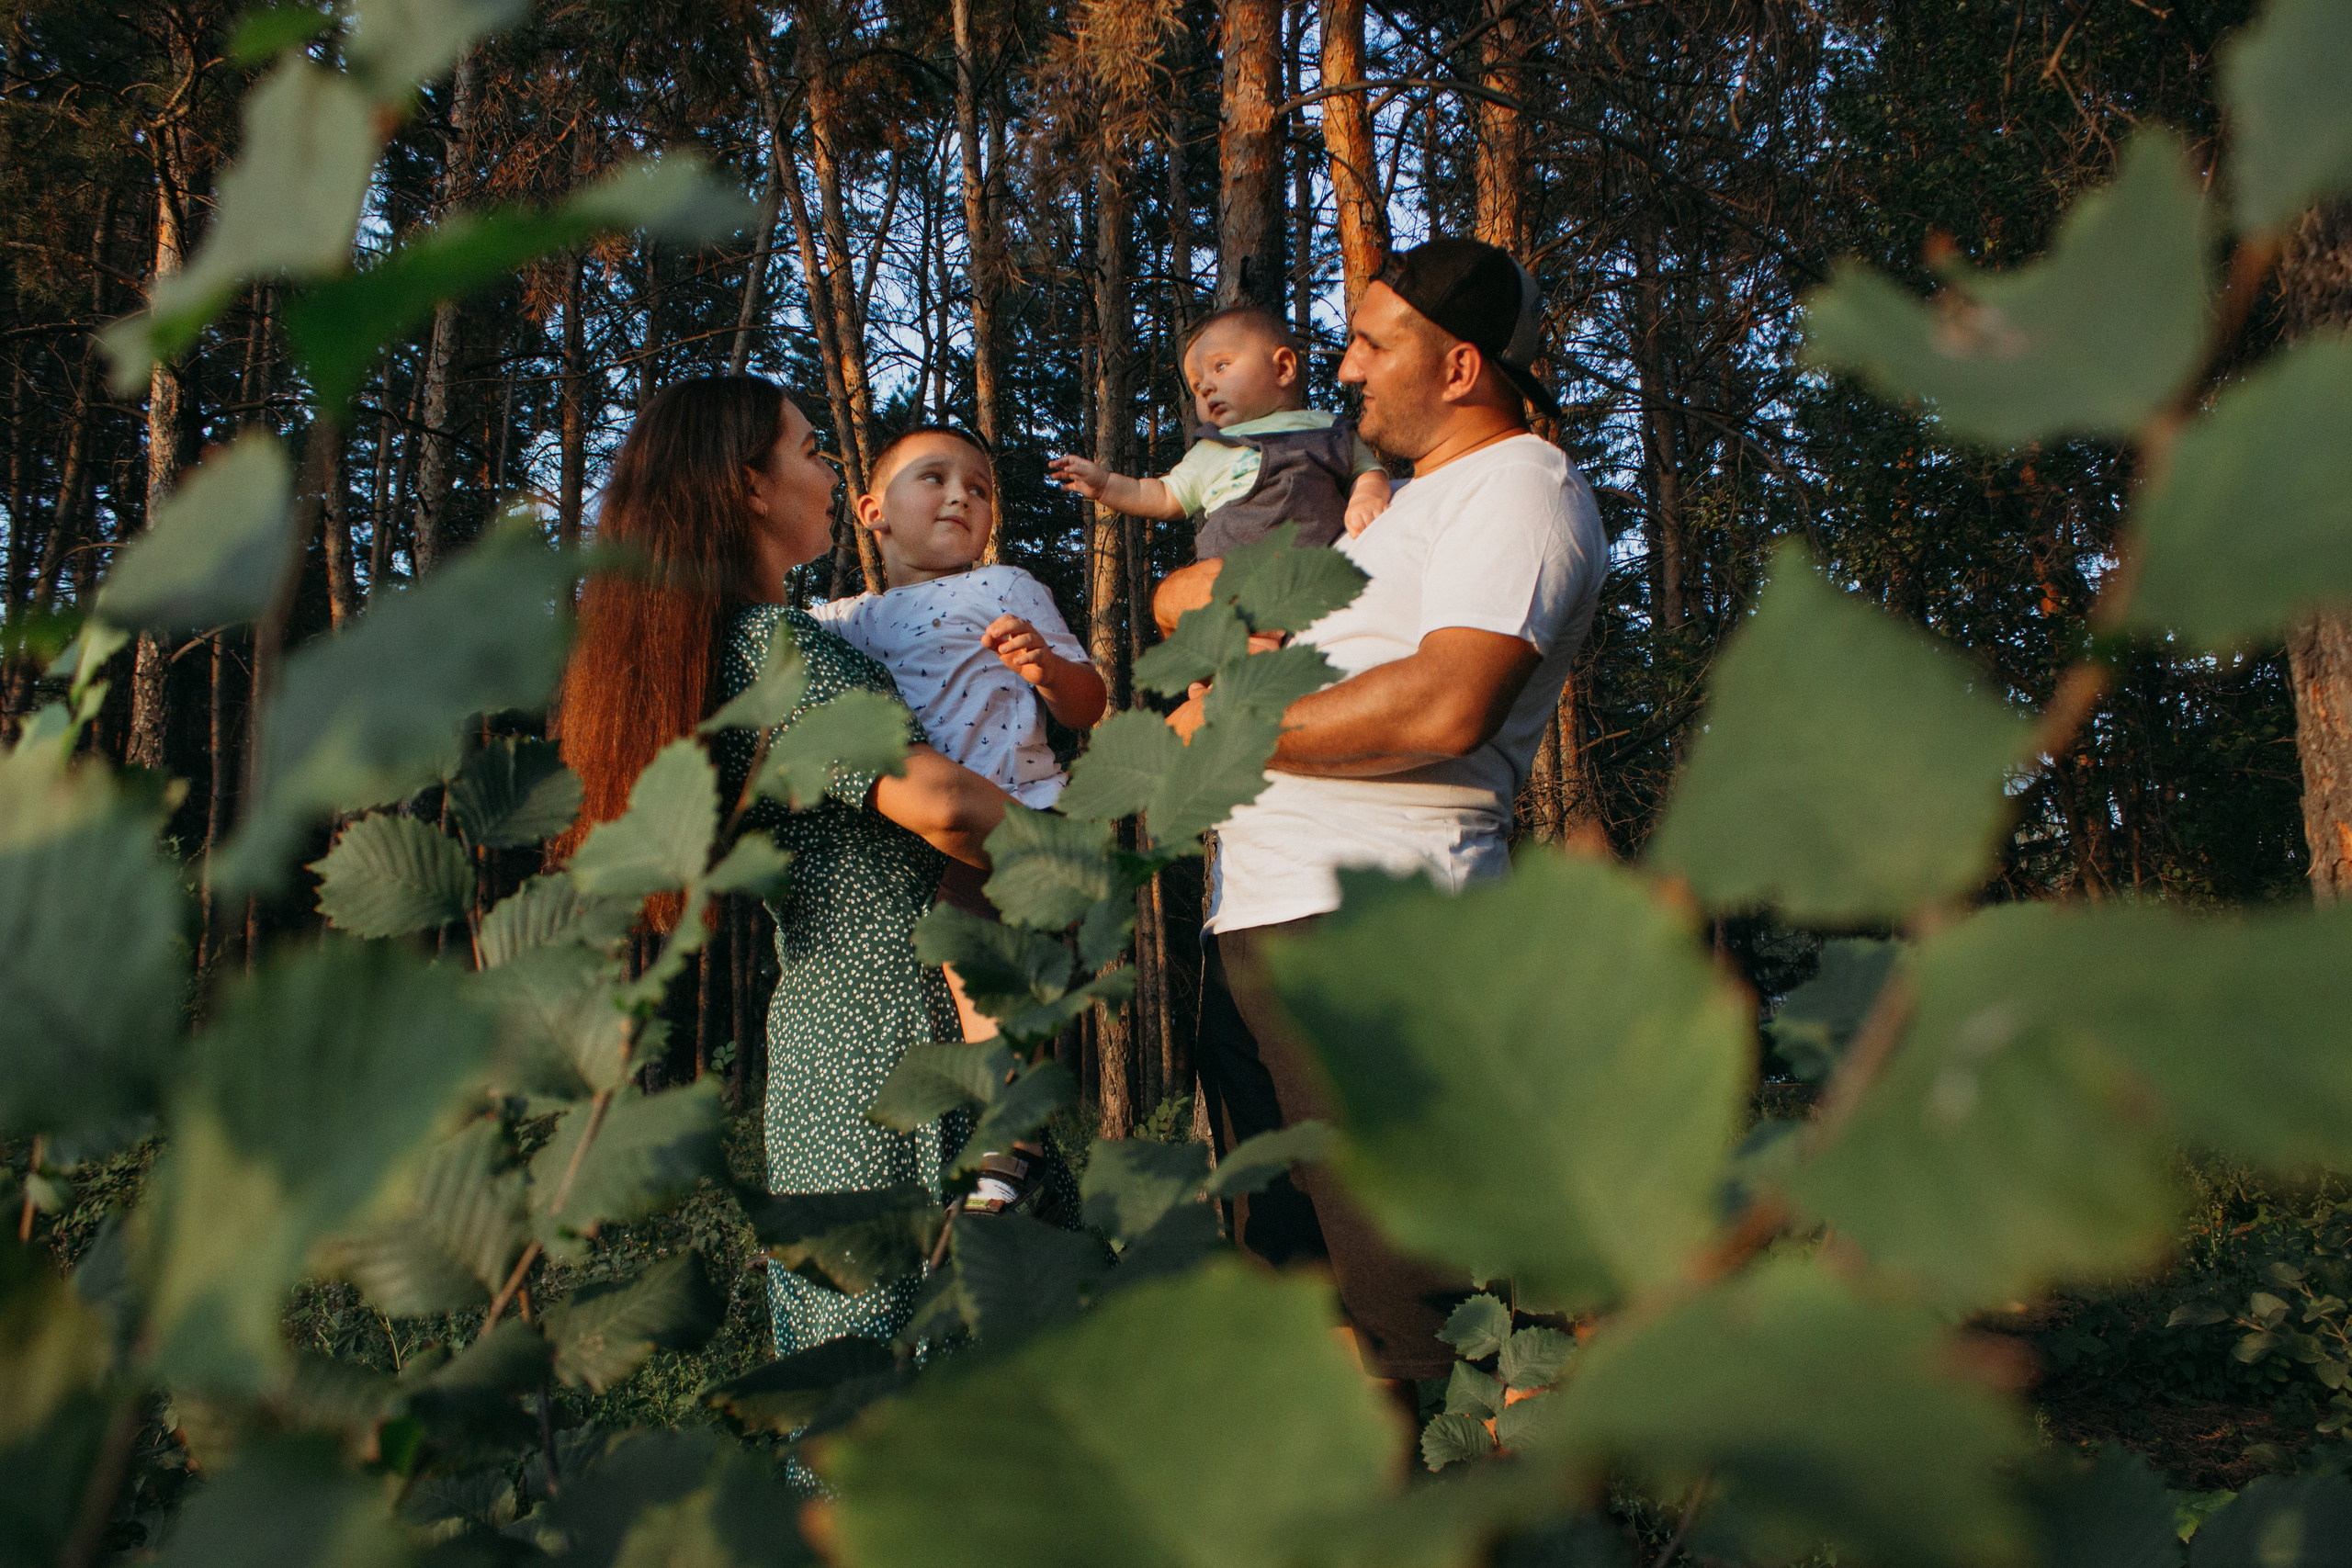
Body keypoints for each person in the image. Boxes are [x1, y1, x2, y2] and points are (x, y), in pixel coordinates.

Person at [1156, 240, 1608, 1396]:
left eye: (1371, 343)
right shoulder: (1399, 511)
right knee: (1303, 1284)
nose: (1346, 369)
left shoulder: (1520, 484)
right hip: (1264, 919)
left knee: (1416, 1302)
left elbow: (1451, 698)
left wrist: (1234, 725)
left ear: (1459, 367)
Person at [553, 376, 1011, 1359]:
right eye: (811, 451)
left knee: (858, 1392)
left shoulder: (716, 650)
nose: (830, 471)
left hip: (827, 1049)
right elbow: (946, 804)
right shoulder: (770, 649)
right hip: (895, 1051)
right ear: (748, 486)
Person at [807, 423, 1106, 1217]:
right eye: (933, 479)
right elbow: (772, 636)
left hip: (1017, 822)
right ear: (873, 511)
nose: (959, 497)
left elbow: (1090, 699)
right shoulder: (847, 620)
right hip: (917, 843)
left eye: (978, 488)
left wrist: (1044, 666)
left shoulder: (1006, 585)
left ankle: (1011, 1154)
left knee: (996, 985)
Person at [1047, 305, 1392, 558]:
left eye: (1221, 366)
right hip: (1229, 580)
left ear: (1283, 368)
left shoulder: (1327, 428)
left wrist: (1367, 494)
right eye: (1197, 385)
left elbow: (1366, 469)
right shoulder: (1212, 449)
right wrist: (1106, 485)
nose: (1207, 387)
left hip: (1312, 572)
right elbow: (1162, 496)